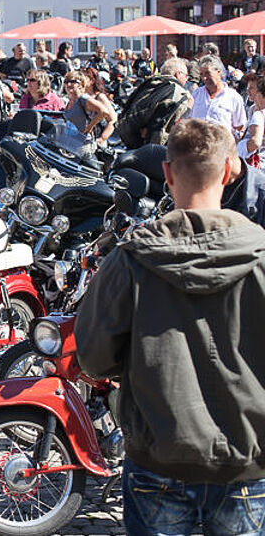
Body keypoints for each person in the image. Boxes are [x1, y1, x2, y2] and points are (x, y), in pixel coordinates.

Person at [76, 119, 265, 536]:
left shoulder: (130, 259)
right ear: (231, 170)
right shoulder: (259, 254)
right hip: (245, 458)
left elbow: (92, 356)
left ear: (166, 173)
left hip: (159, 452)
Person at [189, 58, 248, 138]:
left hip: (221, 146)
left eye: (207, 73)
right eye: (202, 74)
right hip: (198, 145)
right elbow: (188, 120)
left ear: (219, 72)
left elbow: (240, 126)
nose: (204, 78)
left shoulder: (233, 97)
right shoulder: (196, 94)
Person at [63, 71, 116, 143]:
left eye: (73, 81)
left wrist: (89, 128)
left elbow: (104, 112)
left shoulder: (83, 99)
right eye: (66, 81)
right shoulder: (70, 100)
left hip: (83, 144)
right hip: (71, 143)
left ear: (80, 84)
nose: (68, 84)